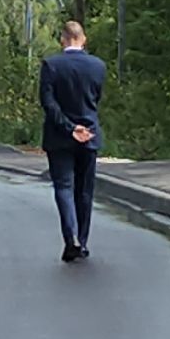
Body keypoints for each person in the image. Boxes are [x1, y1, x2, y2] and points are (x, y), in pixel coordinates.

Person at [38, 21, 107, 262]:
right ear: (83, 39)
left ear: (62, 39)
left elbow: (48, 103)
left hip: (60, 136)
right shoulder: (98, 66)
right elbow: (95, 99)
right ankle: (84, 241)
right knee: (85, 191)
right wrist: (82, 126)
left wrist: (69, 127)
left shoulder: (51, 65)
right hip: (89, 134)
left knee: (64, 188)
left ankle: (71, 239)